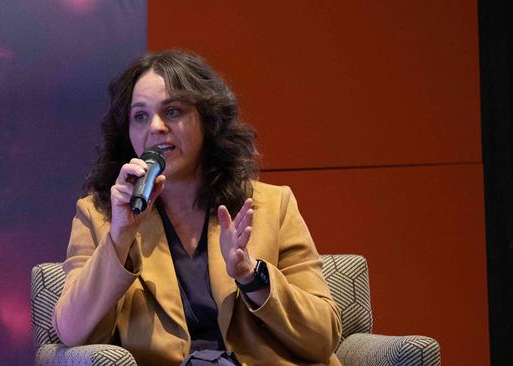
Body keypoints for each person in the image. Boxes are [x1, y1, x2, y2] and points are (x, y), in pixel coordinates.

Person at [52, 50, 343, 366]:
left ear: (208, 119)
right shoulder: (101, 215)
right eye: (140, 115)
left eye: (173, 111)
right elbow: (72, 332)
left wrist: (251, 277)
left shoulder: (272, 206)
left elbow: (322, 337)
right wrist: (120, 238)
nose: (156, 126)